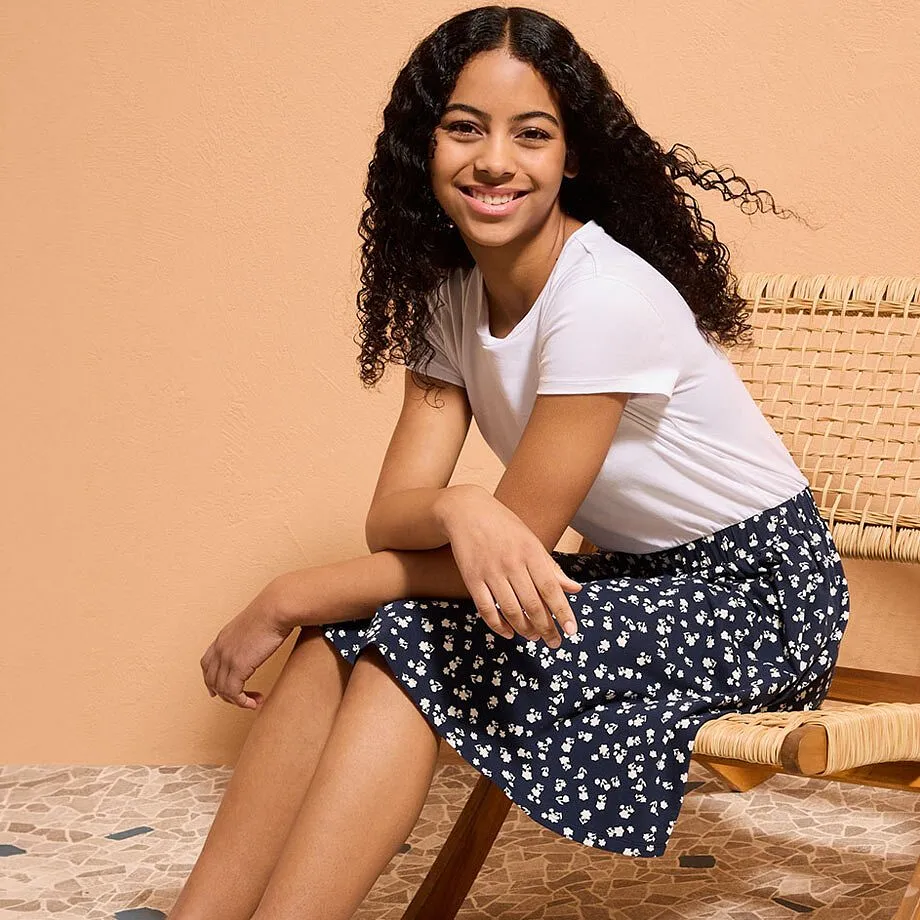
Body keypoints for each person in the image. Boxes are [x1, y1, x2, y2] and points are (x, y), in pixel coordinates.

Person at [171, 6, 850, 919]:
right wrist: (459, 508)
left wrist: (291, 590)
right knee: (346, 632)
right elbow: (398, 513)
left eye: (532, 135)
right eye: (465, 128)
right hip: (634, 579)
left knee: (397, 632)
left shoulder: (602, 295)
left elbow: (514, 548)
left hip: (759, 598)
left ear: (571, 159)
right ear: (426, 147)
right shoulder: (452, 296)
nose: (495, 161)